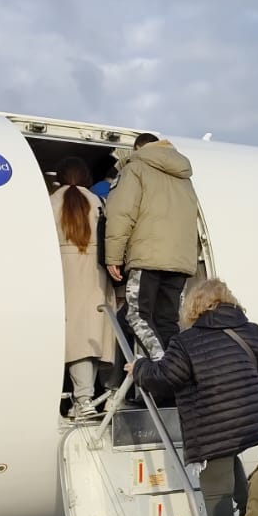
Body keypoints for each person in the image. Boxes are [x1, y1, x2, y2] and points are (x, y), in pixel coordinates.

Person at [132, 278, 258, 516]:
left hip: (214, 424)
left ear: (193, 305)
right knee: (230, 462)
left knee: (216, 494)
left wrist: (139, 367)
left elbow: (164, 377)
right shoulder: (250, 330)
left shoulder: (187, 341)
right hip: (251, 418)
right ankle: (254, 515)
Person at [105, 132, 202, 359]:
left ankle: (163, 371)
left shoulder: (135, 168)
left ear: (139, 148)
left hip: (147, 257)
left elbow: (121, 214)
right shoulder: (183, 177)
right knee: (167, 321)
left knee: (135, 315)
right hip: (180, 262)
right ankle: (177, 371)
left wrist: (114, 256)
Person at [49, 157, 111, 419]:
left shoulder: (51, 202)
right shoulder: (97, 202)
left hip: (63, 270)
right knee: (94, 337)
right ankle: (91, 397)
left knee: (73, 337)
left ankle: (82, 399)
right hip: (94, 272)